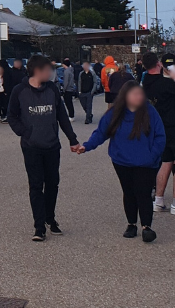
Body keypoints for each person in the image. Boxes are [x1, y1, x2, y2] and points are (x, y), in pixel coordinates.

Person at [71, 80, 166, 242]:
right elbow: (101, 133)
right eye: (134, 94)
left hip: (146, 162)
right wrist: (86, 146)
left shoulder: (150, 111)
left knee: (143, 193)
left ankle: (146, 226)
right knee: (129, 192)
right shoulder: (115, 113)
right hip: (122, 161)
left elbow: (160, 136)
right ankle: (131, 224)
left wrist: (153, 156)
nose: (138, 97)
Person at [6, 54, 79, 240]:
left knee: (53, 183)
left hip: (52, 145)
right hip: (31, 146)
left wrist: (72, 139)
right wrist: (25, 132)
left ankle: (50, 218)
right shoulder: (19, 91)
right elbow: (12, 116)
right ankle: (39, 226)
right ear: (37, 71)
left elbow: (62, 115)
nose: (50, 73)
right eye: (47, 70)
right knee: (36, 185)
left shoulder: (52, 89)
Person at [140, 52, 175, 216]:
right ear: (158, 64)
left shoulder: (145, 85)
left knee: (166, 162)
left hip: (160, 128)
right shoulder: (167, 84)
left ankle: (159, 200)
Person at [77, 60, 97, 125]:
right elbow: (79, 82)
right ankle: (89, 114)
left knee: (89, 106)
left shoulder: (92, 73)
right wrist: (79, 91)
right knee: (84, 105)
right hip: (82, 92)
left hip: (89, 92)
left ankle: (87, 118)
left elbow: (95, 82)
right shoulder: (81, 74)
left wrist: (92, 91)